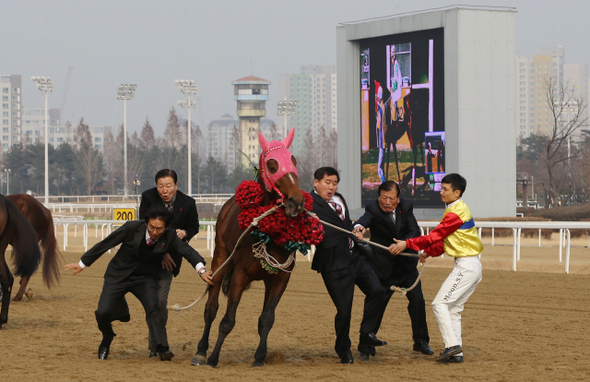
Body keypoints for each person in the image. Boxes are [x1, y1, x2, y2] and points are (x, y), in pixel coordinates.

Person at [64, 208, 213, 361]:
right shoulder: (131, 227)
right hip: (118, 275)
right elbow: (106, 243)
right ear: (146, 223)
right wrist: (82, 263)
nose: (154, 232)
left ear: (166, 227)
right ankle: (107, 338)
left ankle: (162, 348)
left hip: (144, 278)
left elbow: (187, 251)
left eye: (159, 229)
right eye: (151, 227)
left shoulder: (170, 236)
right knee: (102, 312)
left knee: (154, 309)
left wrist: (201, 270)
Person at [389, 173, 483, 364]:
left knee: (439, 304)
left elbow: (435, 236)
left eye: (445, 189)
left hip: (466, 267)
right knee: (453, 310)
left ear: (457, 193)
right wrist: (427, 253)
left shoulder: (456, 212)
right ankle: (456, 353)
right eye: (442, 188)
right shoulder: (454, 209)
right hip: (470, 265)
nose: (441, 192)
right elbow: (444, 242)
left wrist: (408, 243)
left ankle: (452, 347)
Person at [311, 166, 386, 364]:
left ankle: (366, 335)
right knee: (344, 311)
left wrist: (356, 229)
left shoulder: (339, 199)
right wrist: (307, 221)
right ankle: (343, 348)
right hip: (333, 264)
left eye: (334, 183)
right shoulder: (307, 205)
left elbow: (345, 224)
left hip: (356, 257)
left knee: (378, 291)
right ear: (316, 182)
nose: (331, 187)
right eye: (327, 183)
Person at [353, 181, 433, 361]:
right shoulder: (373, 208)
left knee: (418, 302)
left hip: (406, 268)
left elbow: (414, 230)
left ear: (398, 198)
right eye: (383, 198)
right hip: (383, 269)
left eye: (391, 198)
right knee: (376, 304)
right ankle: (365, 347)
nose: (387, 202)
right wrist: (359, 227)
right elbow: (363, 221)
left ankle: (421, 341)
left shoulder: (407, 207)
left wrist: (402, 244)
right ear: (378, 197)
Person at [139, 169, 200, 357]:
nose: (164, 190)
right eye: (160, 186)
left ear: (176, 185)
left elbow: (194, 226)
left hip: (170, 262)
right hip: (148, 258)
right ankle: (157, 345)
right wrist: (161, 252)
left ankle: (156, 344)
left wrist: (185, 233)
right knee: (152, 304)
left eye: (168, 186)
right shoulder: (148, 197)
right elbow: (144, 226)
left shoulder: (188, 203)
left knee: (159, 302)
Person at [376, 86, 387, 182]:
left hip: (382, 140)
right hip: (383, 140)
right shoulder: (384, 109)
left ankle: (383, 181)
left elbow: (378, 125)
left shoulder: (381, 111)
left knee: (379, 166)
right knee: (382, 162)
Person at [389, 44, 403, 122]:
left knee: (394, 98)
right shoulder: (395, 66)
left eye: (391, 59)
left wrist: (393, 89)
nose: (391, 61)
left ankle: (398, 114)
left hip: (397, 87)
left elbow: (396, 79)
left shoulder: (396, 66)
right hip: (396, 86)